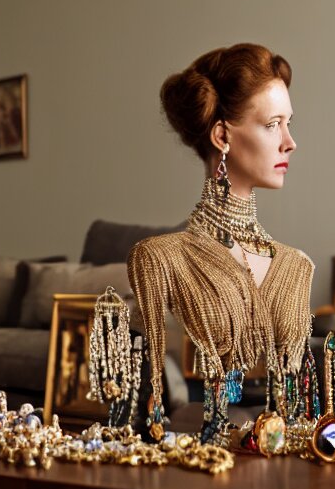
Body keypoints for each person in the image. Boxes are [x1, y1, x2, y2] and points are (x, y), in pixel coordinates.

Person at [129, 44, 314, 442]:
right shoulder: (161, 258)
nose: (289, 142)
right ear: (222, 135)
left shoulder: (297, 266)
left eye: (289, 123)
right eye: (272, 125)